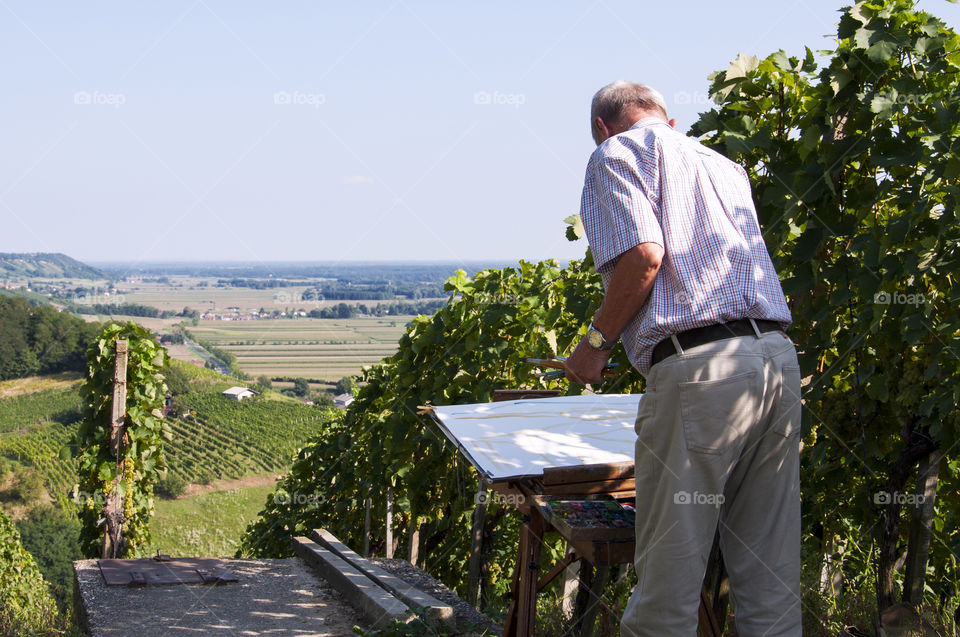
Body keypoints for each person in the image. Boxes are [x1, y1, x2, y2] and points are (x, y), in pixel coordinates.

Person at [564, 81, 802, 637]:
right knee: (770, 573)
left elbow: (645, 256)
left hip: (702, 370)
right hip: (775, 361)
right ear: (668, 121)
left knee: (668, 581)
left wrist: (594, 346)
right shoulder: (722, 164)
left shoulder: (616, 153)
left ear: (602, 125)